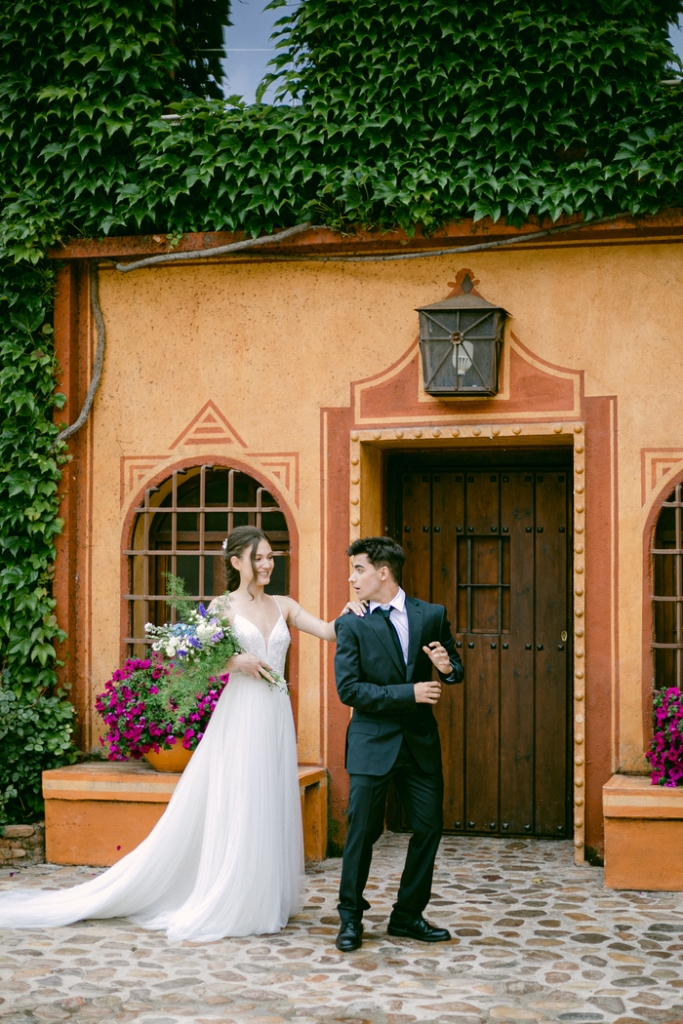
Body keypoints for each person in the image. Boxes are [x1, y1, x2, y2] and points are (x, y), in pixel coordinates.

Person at [0, 526, 361, 942]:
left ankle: (264, 896)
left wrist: (352, 610)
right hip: (242, 713)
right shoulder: (222, 607)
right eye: (259, 558)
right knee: (243, 797)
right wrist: (235, 662)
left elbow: (329, 630)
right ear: (237, 562)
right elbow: (197, 663)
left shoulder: (285, 605)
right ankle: (235, 897)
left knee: (269, 797)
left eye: (270, 557)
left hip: (276, 712)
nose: (267, 565)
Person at [333, 536, 463, 952]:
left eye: (359, 569)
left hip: (420, 744)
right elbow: (349, 690)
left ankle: (407, 915)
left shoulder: (431, 615)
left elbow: (455, 667)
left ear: (383, 572)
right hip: (372, 742)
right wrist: (410, 693)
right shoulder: (351, 623)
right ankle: (350, 918)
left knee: (428, 827)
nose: (352, 578)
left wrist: (447, 667)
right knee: (362, 832)